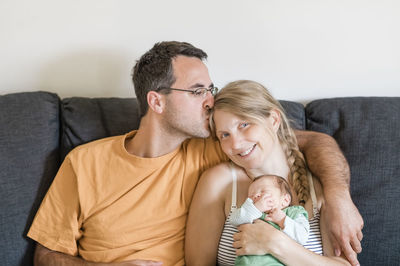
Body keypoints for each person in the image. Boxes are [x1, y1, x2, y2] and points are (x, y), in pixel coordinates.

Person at [27, 41, 362, 266]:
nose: (210, 101)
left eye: (210, 89)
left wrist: (338, 197)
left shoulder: (220, 148)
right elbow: (46, 253)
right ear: (156, 101)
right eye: (198, 91)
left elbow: (310, 141)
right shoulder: (85, 162)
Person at [185, 80, 362, 265]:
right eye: (225, 135)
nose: (235, 144)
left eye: (244, 125)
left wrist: (275, 243)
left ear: (274, 120)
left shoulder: (320, 182)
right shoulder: (219, 182)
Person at [229, 174, 310, 266]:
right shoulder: (251, 213)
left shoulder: (293, 213)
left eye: (263, 191)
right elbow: (234, 220)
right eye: (251, 196)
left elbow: (302, 236)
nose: (256, 196)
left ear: (285, 200)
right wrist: (255, 208)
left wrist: (283, 220)